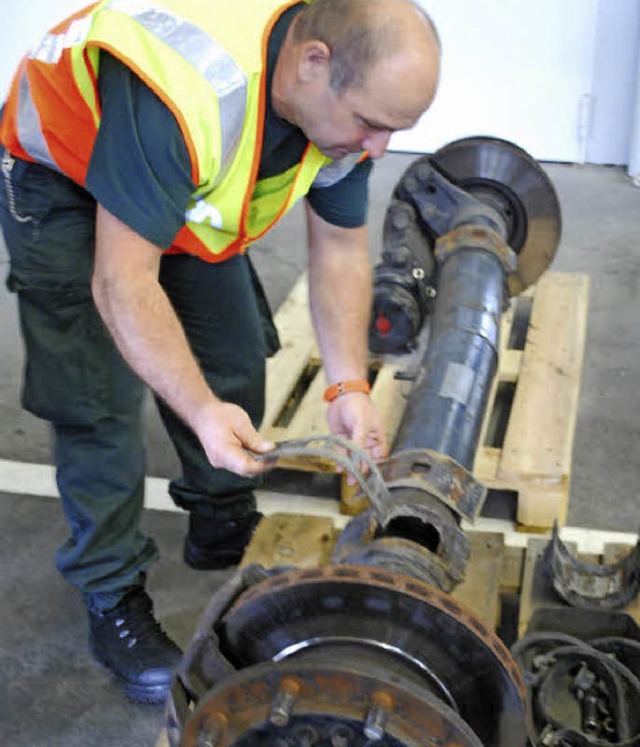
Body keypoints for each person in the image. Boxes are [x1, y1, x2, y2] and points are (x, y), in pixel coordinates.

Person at [0, 0, 440, 703]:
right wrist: (201, 409)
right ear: (313, 62)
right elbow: (121, 282)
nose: (378, 148)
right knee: (97, 400)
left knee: (233, 354)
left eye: (395, 130)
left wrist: (348, 386)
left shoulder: (336, 106)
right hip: (66, 176)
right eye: (370, 123)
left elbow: (340, 249)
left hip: (181, 182)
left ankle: (219, 514)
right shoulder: (187, 94)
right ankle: (112, 592)